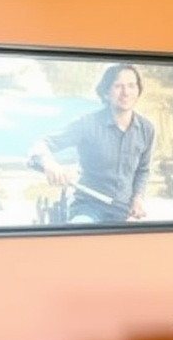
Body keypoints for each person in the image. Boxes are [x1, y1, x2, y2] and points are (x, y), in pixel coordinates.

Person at [28, 62, 155, 224]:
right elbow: (39, 144)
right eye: (118, 86)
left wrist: (138, 199)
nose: (126, 92)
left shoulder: (147, 128)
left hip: (124, 213)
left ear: (138, 90)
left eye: (131, 86)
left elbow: (143, 170)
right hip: (88, 209)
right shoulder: (87, 124)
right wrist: (49, 164)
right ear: (106, 92)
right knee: (79, 236)